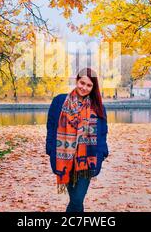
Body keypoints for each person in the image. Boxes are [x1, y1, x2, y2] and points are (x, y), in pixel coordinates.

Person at [45, 67, 109, 212]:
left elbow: (103, 132)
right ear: (77, 81)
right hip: (65, 158)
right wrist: (50, 149)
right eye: (82, 83)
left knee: (77, 199)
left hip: (87, 160)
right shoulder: (59, 101)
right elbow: (51, 126)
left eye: (89, 85)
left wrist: (103, 152)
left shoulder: (98, 107)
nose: (84, 88)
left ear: (93, 87)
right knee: (76, 202)